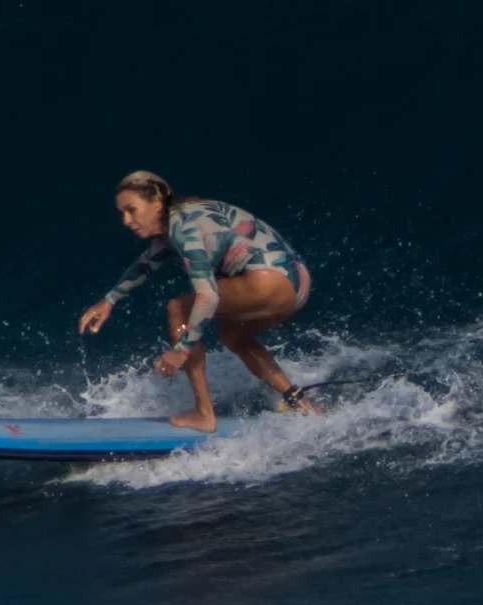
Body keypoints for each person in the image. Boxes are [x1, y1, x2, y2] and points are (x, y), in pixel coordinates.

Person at [78, 171, 315, 432]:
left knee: (178, 309)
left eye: (132, 210)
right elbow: (146, 264)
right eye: (122, 213)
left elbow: (208, 296)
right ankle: (300, 402)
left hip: (266, 281)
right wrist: (108, 301)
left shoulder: (183, 227)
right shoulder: (182, 217)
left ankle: (204, 414)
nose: (126, 220)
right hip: (296, 284)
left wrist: (180, 351)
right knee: (234, 337)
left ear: (157, 201)